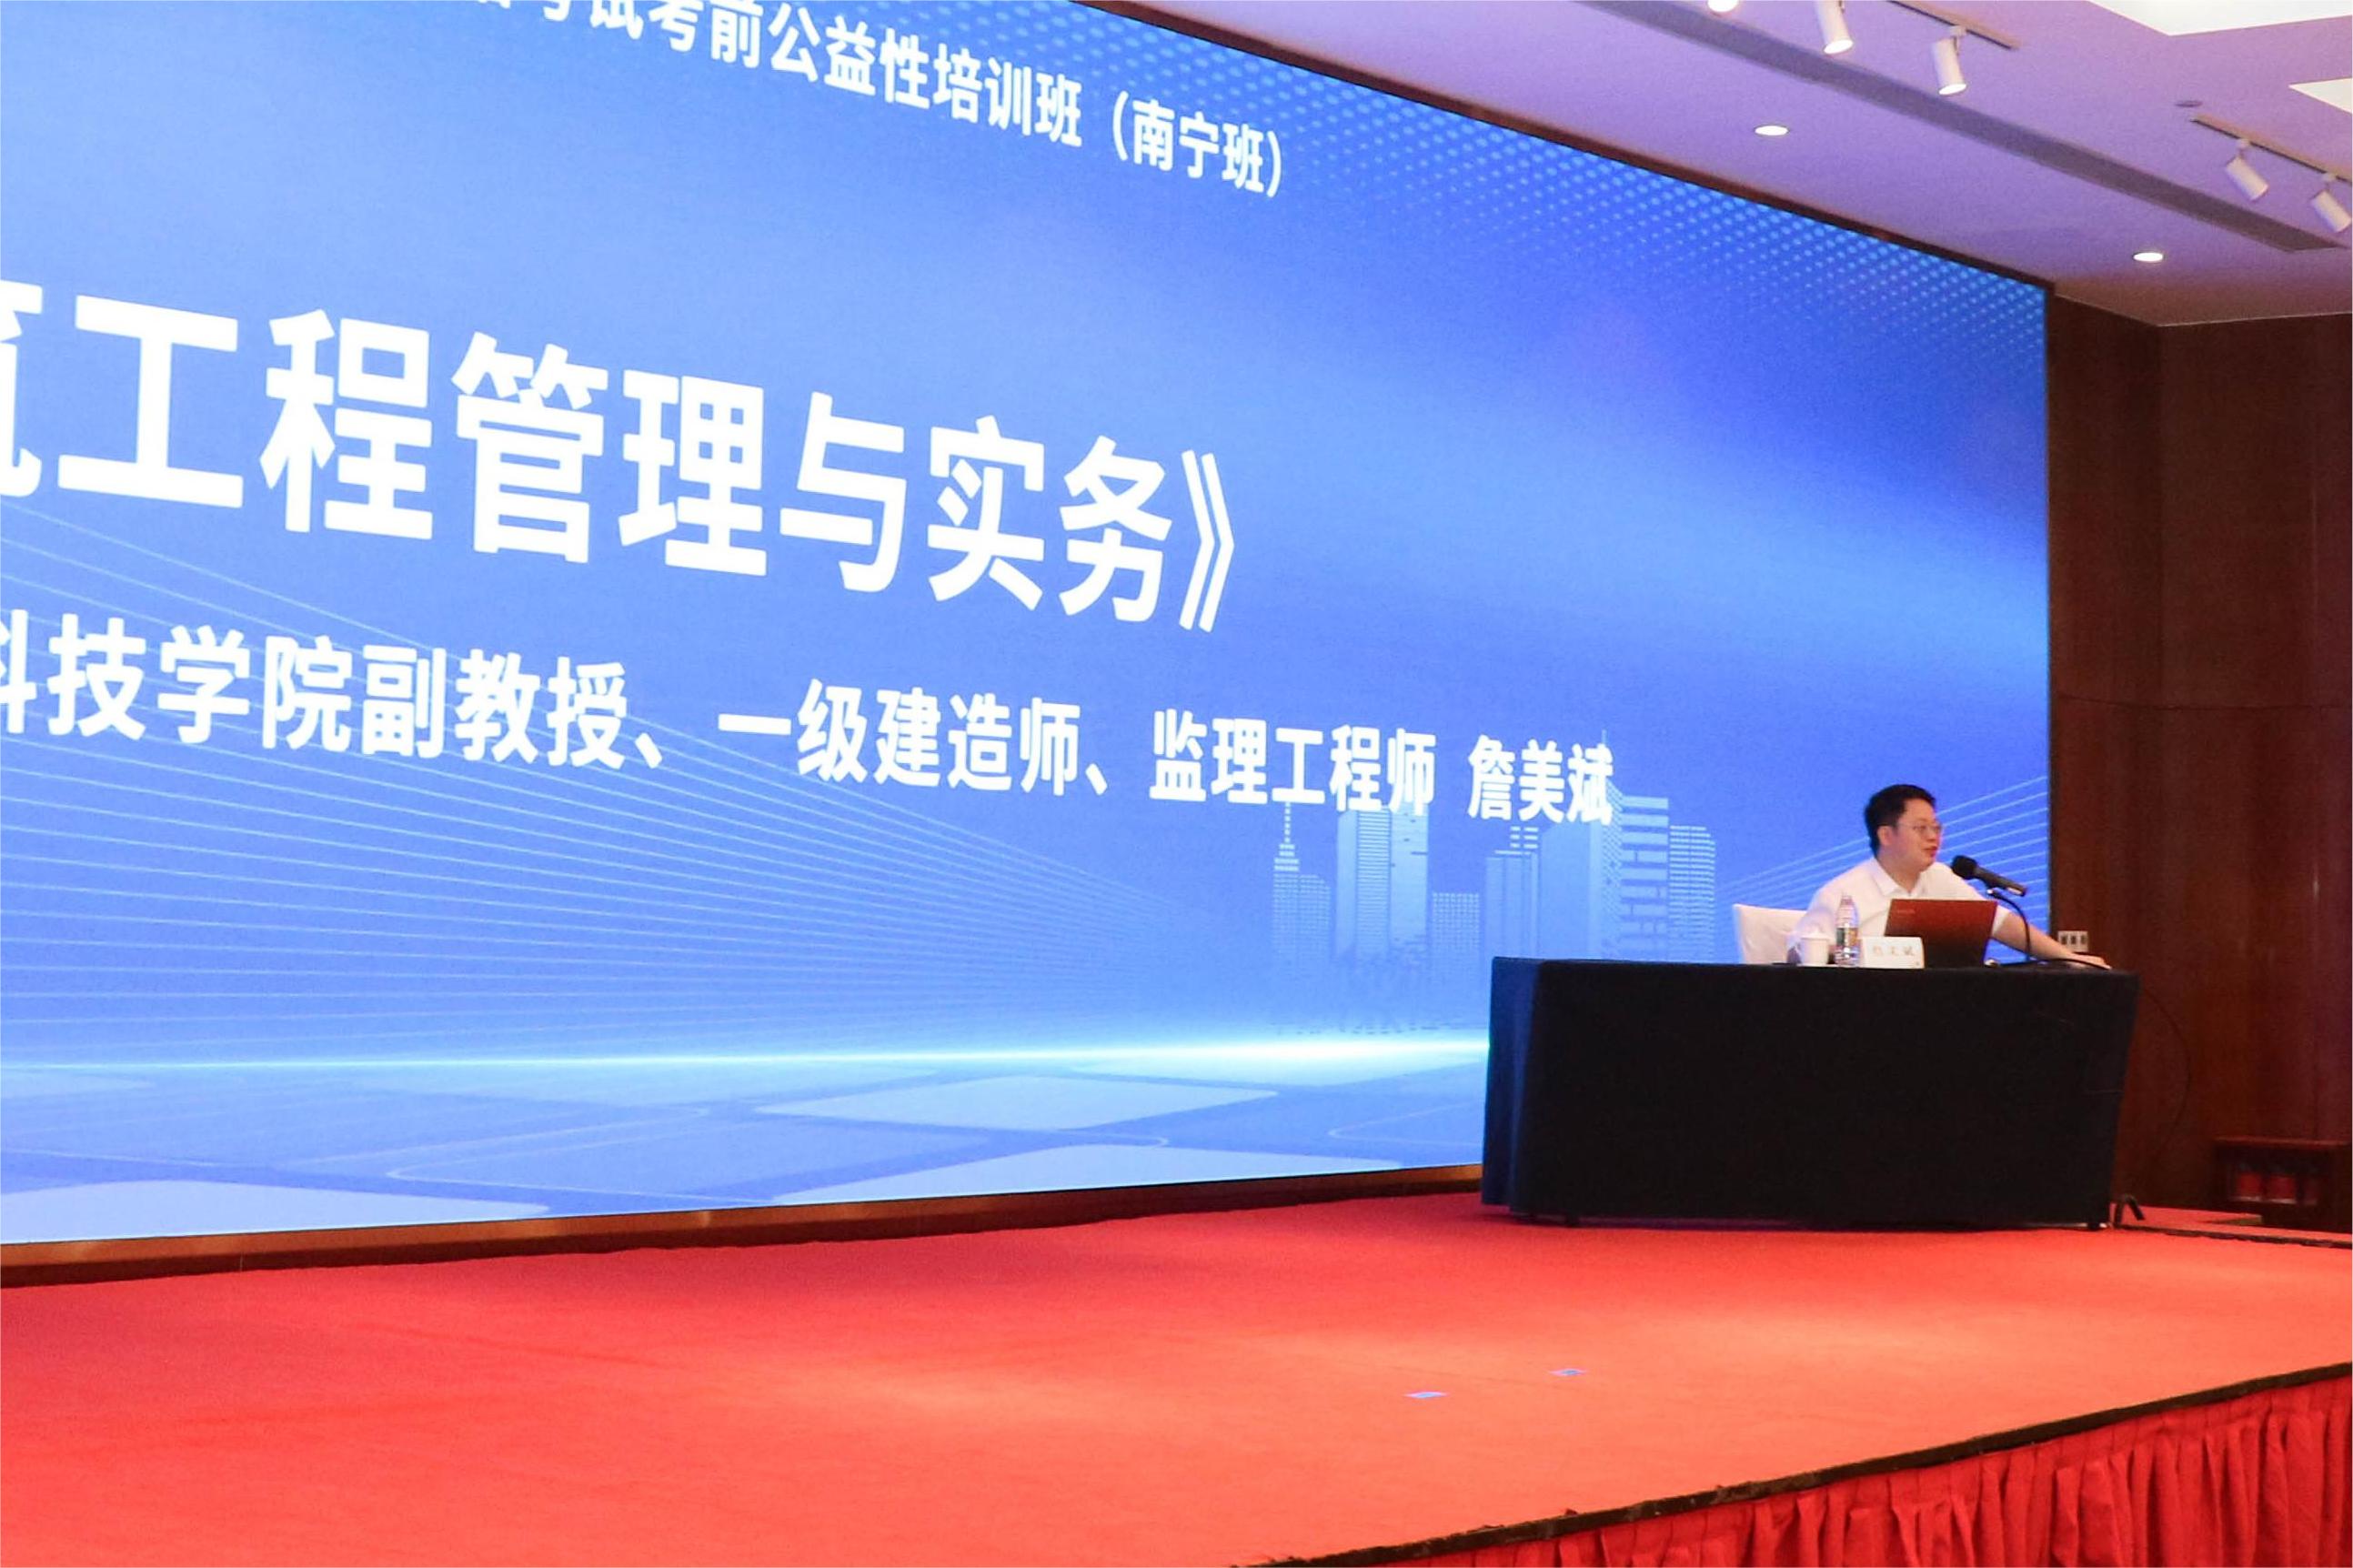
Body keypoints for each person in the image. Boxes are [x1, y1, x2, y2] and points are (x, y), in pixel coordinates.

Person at [1787, 784, 2109, 966]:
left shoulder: (1942, 878)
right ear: (1886, 835)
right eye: (1921, 828)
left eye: (1936, 828)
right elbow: (1796, 955)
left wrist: (2069, 959)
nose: (1934, 837)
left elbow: (2002, 925)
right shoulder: (1842, 893)